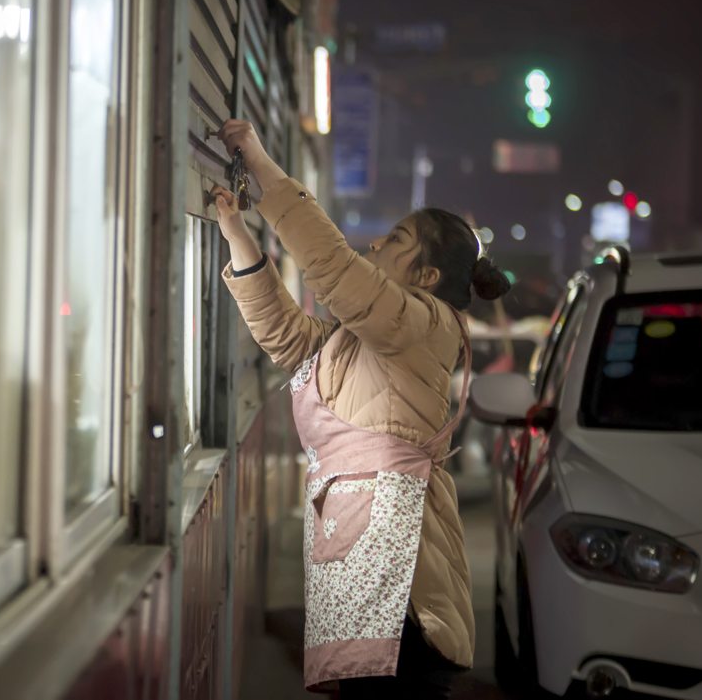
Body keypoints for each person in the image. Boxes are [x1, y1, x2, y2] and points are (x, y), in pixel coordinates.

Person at [210, 120, 510, 700]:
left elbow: (333, 266)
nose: (376, 244)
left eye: (396, 240)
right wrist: (237, 235)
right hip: (369, 560)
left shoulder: (422, 323)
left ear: (425, 276)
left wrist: (263, 168)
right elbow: (289, 339)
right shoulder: (373, 336)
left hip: (402, 591)